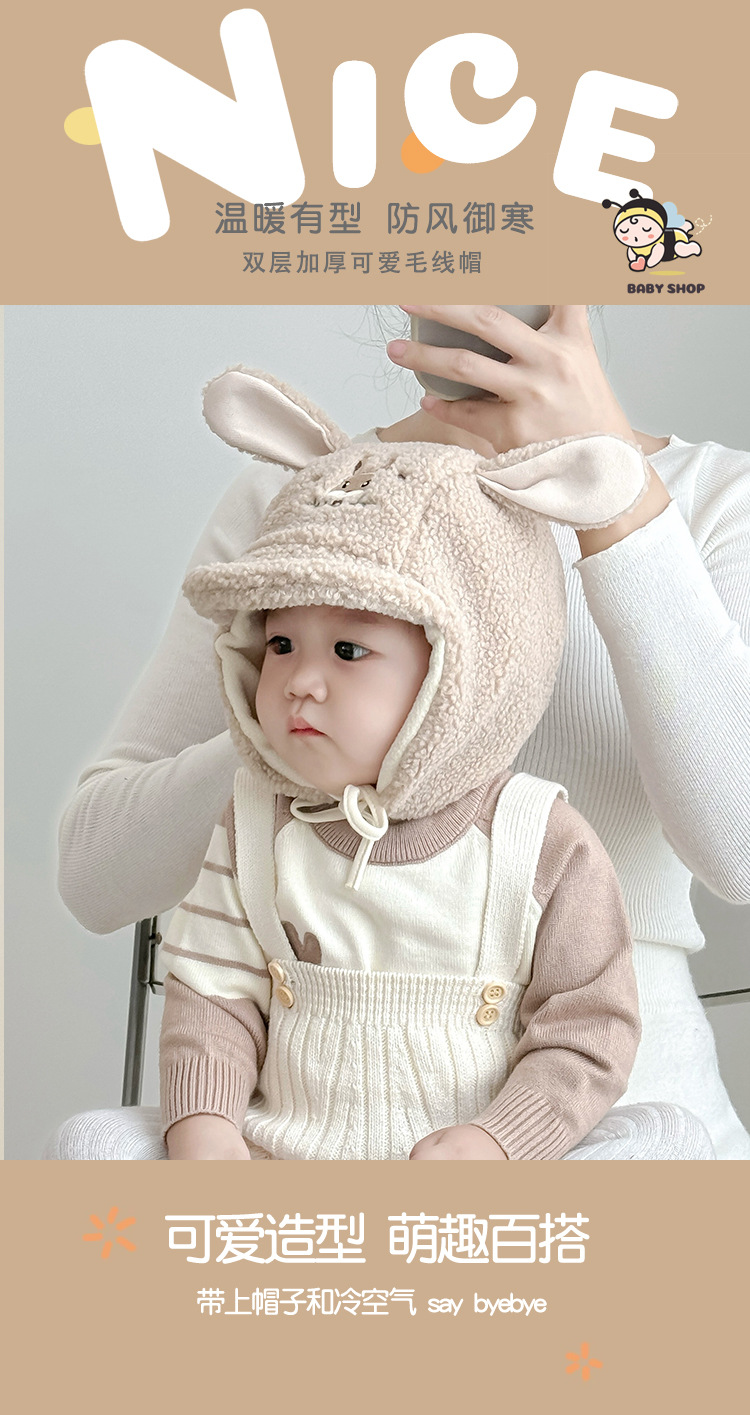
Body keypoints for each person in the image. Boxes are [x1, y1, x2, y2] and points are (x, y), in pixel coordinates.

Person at [52, 307, 749, 1160]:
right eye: (282, 645)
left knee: (663, 1156)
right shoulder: (314, 495)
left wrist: (621, 505)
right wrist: (295, 728)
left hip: (607, 1108)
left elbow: (741, 854)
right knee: (94, 1149)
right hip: (298, 1114)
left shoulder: (713, 498)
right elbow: (96, 875)